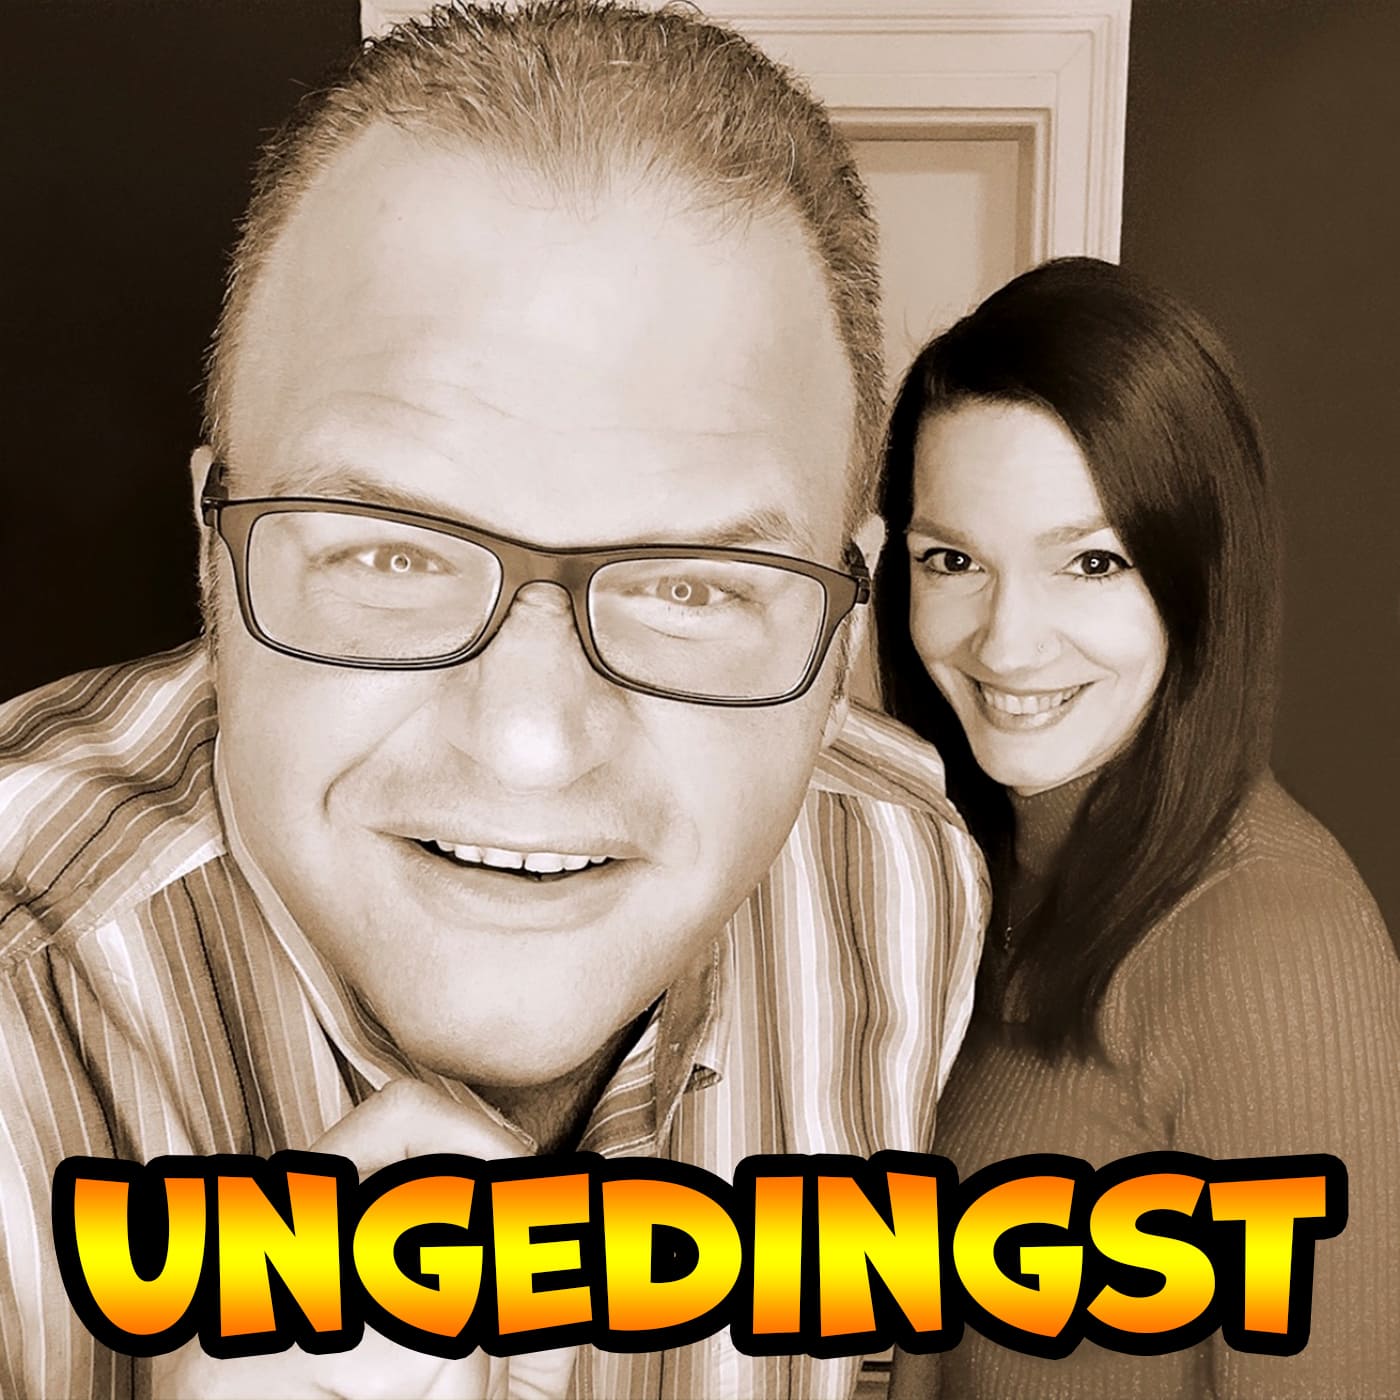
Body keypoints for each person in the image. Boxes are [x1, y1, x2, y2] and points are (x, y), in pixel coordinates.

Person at [0, 4, 988, 1398]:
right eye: (391, 555)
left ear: (841, 632)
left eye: (692, 584)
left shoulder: (898, 878)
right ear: (214, 557)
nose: (528, 742)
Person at [877, 256, 1400, 1398]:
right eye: (951, 560)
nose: (1005, 642)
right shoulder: (968, 879)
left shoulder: (1267, 939)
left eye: (1091, 561)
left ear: (1194, 576)